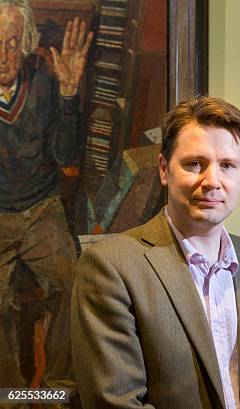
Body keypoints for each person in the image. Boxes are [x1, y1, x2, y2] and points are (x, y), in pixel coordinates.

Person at [71, 96, 240, 409]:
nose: (212, 181)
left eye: (227, 166)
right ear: (163, 169)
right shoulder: (111, 266)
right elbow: (115, 401)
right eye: (194, 164)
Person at [0, 0, 92, 402]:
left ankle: (58, 389)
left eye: (12, 43)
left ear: (26, 46)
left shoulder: (44, 81)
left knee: (74, 285)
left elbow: (68, 157)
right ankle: (8, 393)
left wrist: (69, 96)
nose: (3, 56)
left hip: (41, 207)